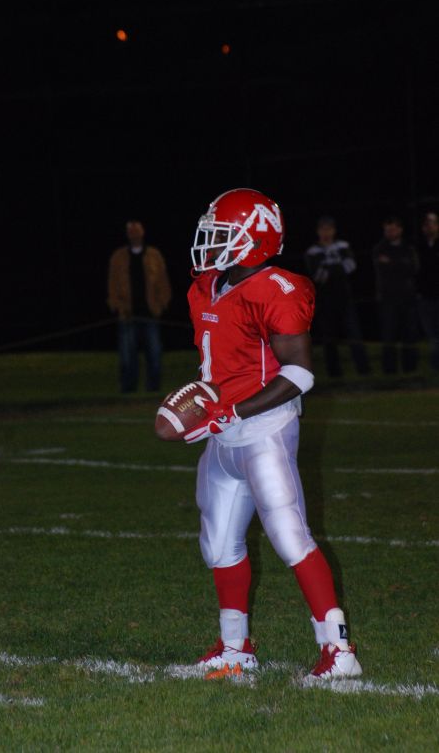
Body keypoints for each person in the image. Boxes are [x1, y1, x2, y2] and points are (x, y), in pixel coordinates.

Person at [182, 188, 362, 680]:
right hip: (223, 435)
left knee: (289, 536)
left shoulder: (276, 288)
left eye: (222, 234)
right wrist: (205, 403)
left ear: (255, 238)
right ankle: (235, 648)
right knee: (218, 543)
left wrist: (233, 411)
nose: (210, 243)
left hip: (264, 429)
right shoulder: (207, 287)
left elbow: (300, 373)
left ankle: (338, 651)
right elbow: (221, 362)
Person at [107, 221, 172, 393]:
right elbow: (112, 284)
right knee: (127, 357)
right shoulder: (118, 257)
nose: (134, 235)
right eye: (131, 232)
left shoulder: (154, 255)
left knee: (155, 354)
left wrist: (161, 304)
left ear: (142, 233)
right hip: (127, 315)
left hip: (150, 314)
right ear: (127, 235)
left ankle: (154, 389)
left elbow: (163, 282)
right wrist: (118, 306)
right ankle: (128, 390)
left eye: (137, 231)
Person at [305, 216, 370, 377]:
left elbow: (351, 266)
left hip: (345, 299)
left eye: (329, 229)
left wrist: (329, 268)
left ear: (334, 231)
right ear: (318, 231)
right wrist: (337, 268)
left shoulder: (343, 246)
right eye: (323, 229)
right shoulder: (312, 251)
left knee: (354, 334)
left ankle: (364, 370)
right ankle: (334, 373)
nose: (326, 232)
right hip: (325, 301)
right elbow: (318, 276)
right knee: (329, 337)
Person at [373, 217, 420, 374]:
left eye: (393, 229)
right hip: (387, 299)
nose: (390, 232)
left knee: (409, 333)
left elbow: (413, 268)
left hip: (408, 298)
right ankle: (389, 370)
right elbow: (382, 269)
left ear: (400, 229)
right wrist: (401, 264)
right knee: (389, 335)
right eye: (387, 230)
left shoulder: (408, 247)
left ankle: (410, 368)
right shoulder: (379, 248)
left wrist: (392, 263)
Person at [416, 212, 439, 372]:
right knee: (432, 335)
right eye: (426, 224)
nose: (429, 227)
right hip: (425, 297)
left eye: (432, 224)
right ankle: (435, 367)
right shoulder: (419, 246)